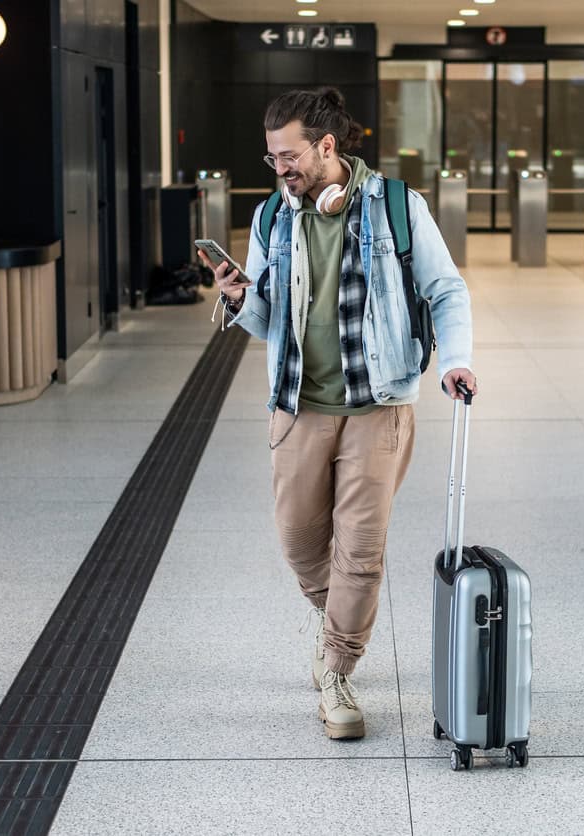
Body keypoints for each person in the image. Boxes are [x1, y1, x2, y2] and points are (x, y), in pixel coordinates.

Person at [197, 87, 476, 740]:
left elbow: (444, 289)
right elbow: (267, 320)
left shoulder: (398, 209)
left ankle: (337, 672)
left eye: (289, 155)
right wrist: (239, 299)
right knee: (299, 541)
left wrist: (456, 359)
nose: (280, 168)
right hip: (298, 404)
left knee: (360, 550)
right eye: (271, 158)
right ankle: (339, 627)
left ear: (326, 146)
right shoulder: (273, 217)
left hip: (379, 404)